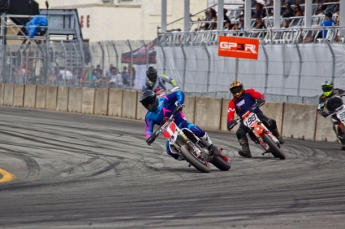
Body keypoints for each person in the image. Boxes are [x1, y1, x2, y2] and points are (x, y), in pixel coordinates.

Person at [140, 90, 219, 161]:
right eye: (146, 104)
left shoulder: (164, 99)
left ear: (154, 98)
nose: (149, 105)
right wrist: (149, 138)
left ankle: (211, 145)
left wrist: (180, 103)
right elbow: (148, 130)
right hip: (170, 132)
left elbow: (179, 93)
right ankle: (188, 157)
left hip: (181, 122)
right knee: (169, 150)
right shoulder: (148, 116)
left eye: (149, 102)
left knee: (195, 130)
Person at [227, 80, 284, 158]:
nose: (236, 91)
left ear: (242, 87)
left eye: (237, 89)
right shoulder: (232, 102)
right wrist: (230, 122)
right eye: (234, 90)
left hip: (257, 114)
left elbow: (259, 96)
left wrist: (260, 99)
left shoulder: (249, 92)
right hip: (245, 120)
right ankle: (246, 150)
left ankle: (278, 136)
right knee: (239, 132)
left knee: (272, 122)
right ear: (231, 92)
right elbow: (230, 113)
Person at [317, 80, 345, 150]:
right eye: (324, 88)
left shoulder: (338, 92)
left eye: (328, 88)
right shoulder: (322, 97)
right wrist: (324, 114)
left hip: (342, 110)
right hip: (333, 113)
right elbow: (319, 108)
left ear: (331, 87)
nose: (326, 90)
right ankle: (343, 142)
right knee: (335, 126)